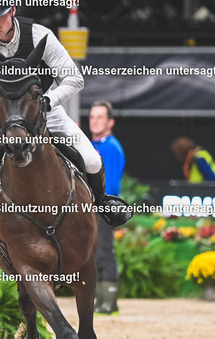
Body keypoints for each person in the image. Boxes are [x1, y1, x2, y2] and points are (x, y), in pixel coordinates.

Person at [0, 0, 130, 264]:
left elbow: (74, 78)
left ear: (12, 10)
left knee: (91, 159)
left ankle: (102, 204)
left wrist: (48, 100)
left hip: (43, 108)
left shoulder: (40, 36)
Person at [89, 101, 125, 315]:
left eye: (100, 117)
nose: (95, 121)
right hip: (93, 207)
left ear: (110, 122)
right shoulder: (94, 145)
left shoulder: (111, 147)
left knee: (104, 252)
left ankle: (109, 302)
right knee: (94, 253)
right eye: (92, 117)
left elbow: (109, 184)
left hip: (104, 208)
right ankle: (101, 301)